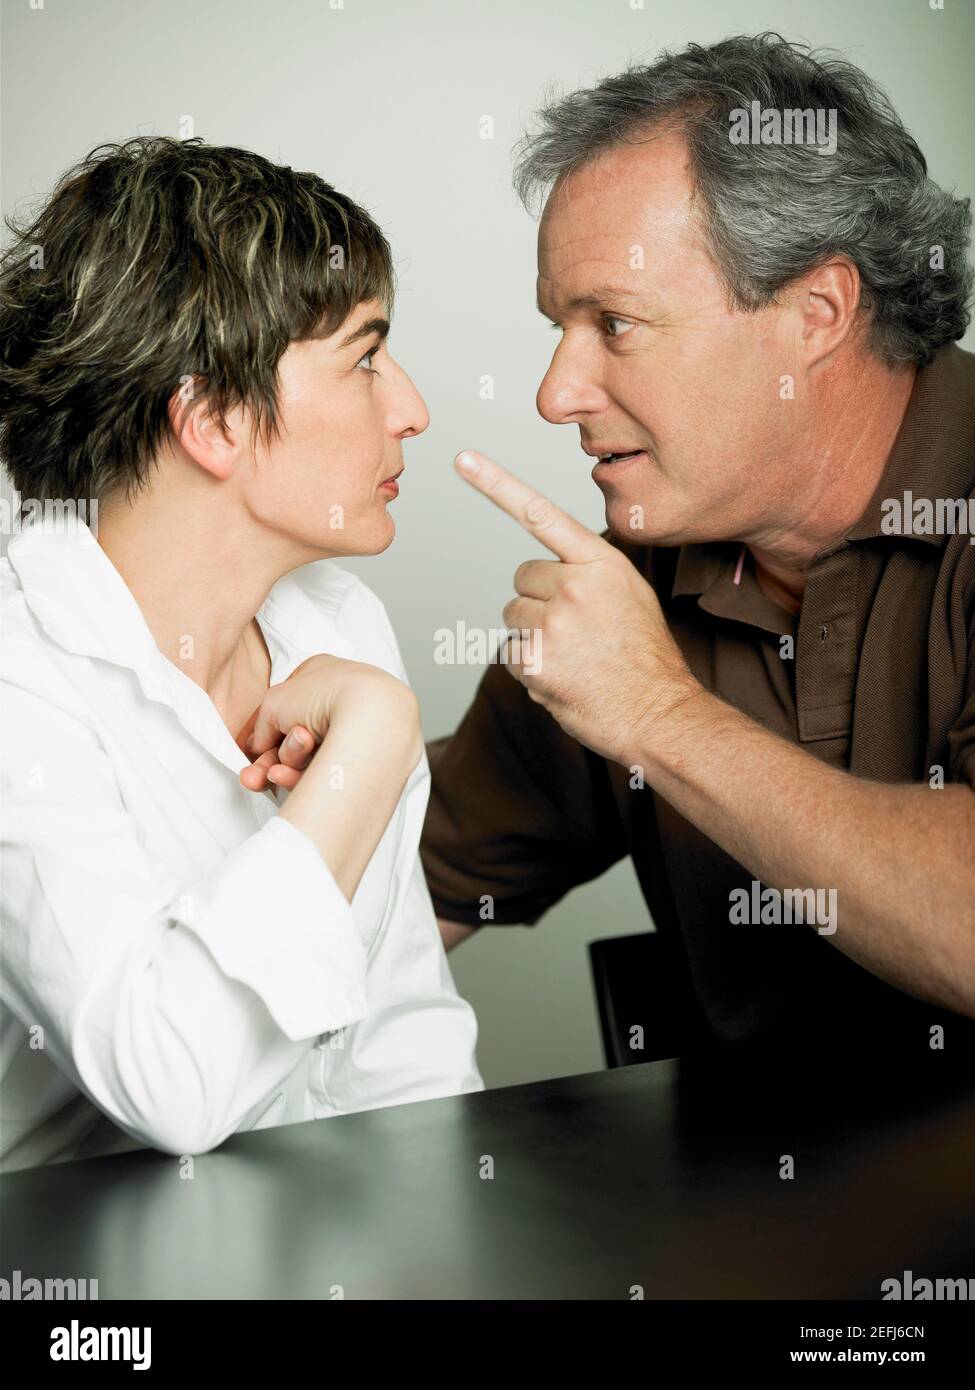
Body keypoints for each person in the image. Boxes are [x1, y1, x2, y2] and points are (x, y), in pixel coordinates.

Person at [419, 34, 975, 1062]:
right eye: (558, 327)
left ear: (816, 313)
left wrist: (659, 717)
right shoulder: (636, 584)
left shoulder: (632, 665)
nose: (554, 394)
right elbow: (415, 890)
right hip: (753, 1211)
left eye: (615, 323)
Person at [0, 136, 482, 1172]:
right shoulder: (16, 674)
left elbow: (402, 1048)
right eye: (364, 358)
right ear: (214, 419)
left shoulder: (338, 622)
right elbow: (169, 1081)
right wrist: (377, 741)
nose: (411, 408)